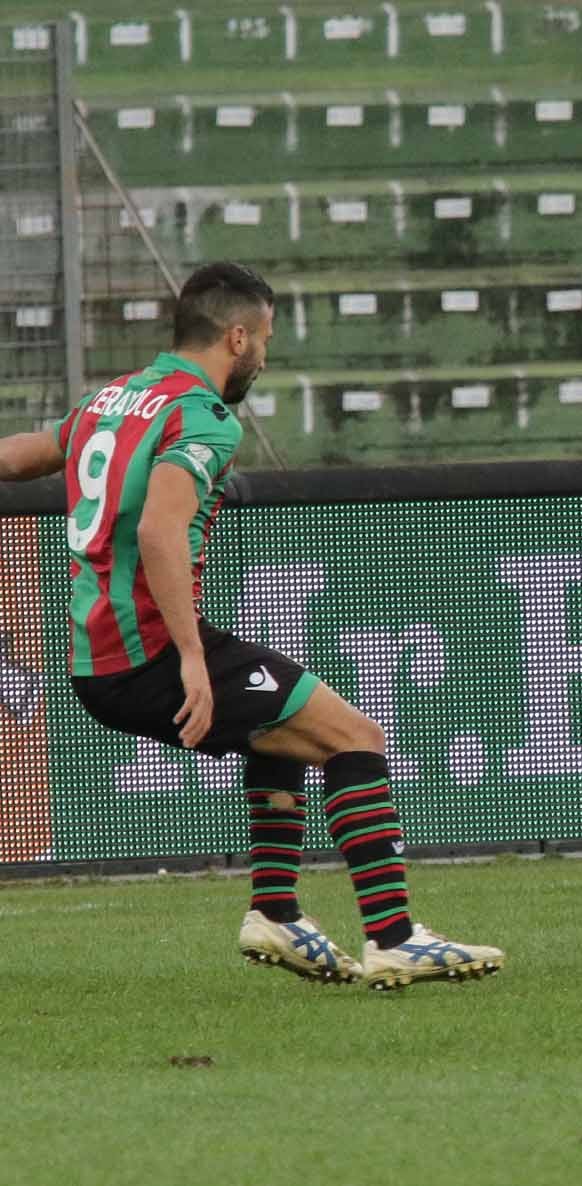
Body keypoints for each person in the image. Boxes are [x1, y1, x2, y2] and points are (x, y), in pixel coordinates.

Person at [0, 262, 502, 990]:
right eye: (264, 338)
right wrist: (192, 659)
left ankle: (276, 912)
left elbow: (26, 454)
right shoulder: (203, 415)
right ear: (237, 336)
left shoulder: (115, 397)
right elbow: (161, 535)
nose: (265, 354)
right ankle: (393, 936)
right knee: (355, 737)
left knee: (285, 727)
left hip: (97, 659)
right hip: (148, 656)